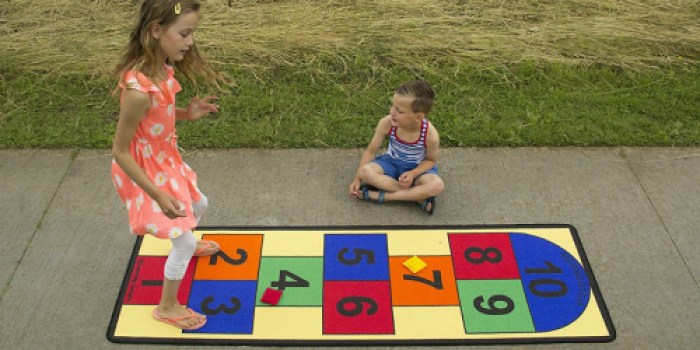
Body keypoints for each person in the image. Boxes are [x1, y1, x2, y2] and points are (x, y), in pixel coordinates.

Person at [111, 0, 221, 330]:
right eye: (184, 33)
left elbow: (158, 119)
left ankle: (187, 240)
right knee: (183, 241)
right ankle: (168, 307)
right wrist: (157, 194)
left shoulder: (162, 69)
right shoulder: (138, 91)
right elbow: (120, 151)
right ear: (157, 31)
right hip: (142, 170)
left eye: (192, 33)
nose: (190, 41)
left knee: (200, 202)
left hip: (165, 161)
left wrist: (187, 113)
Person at [348, 80, 445, 214]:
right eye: (393, 106)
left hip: (417, 170)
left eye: (399, 111)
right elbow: (371, 151)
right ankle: (416, 196)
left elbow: (430, 161)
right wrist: (357, 179)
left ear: (418, 117)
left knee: (437, 184)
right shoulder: (387, 123)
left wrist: (413, 173)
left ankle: (383, 196)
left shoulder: (430, 135)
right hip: (391, 163)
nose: (392, 112)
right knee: (365, 171)